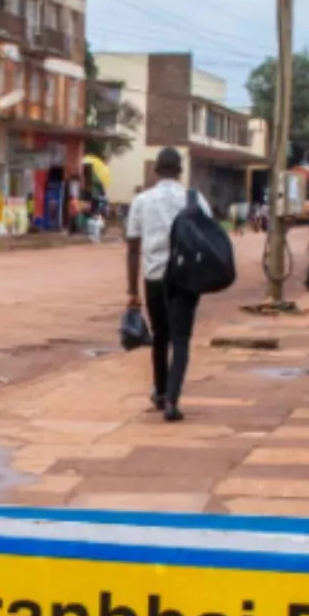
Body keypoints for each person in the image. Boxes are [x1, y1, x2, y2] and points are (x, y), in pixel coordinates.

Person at [126, 148, 204, 423]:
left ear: (156, 170)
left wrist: (132, 291)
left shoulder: (142, 201)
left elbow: (133, 247)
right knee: (181, 338)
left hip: (155, 277)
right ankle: (173, 398)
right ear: (180, 170)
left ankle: (160, 392)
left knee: (160, 335)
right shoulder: (194, 199)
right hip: (185, 278)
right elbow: (207, 237)